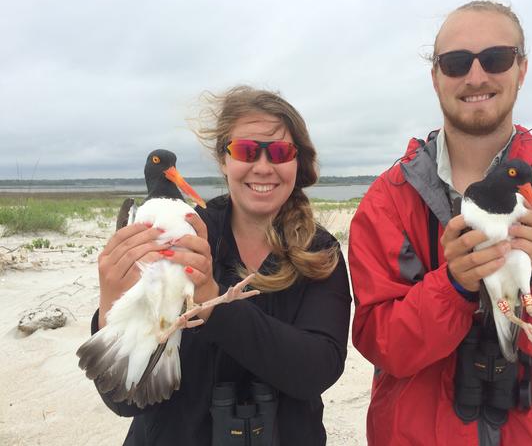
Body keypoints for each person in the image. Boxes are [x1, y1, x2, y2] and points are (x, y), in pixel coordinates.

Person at [349, 0, 532, 445]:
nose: (476, 77)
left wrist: (531, 276)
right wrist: (452, 284)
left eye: (496, 59)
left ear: (522, 69)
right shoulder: (386, 201)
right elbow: (381, 345)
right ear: (435, 77)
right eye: (455, 64)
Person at [91, 86, 352, 445]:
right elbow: (123, 399)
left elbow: (317, 370)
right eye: (246, 150)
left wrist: (213, 302)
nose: (263, 166)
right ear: (223, 160)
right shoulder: (180, 235)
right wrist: (111, 306)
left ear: (297, 161)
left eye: (279, 152)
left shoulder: (321, 253)